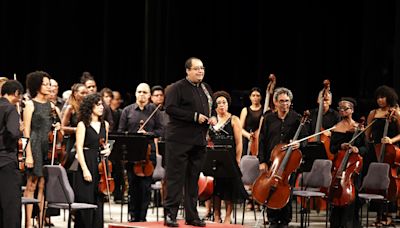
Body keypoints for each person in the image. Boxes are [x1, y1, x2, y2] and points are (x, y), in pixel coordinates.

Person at [163, 57, 217, 227]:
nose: (200, 71)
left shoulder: (205, 88)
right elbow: (170, 109)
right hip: (179, 140)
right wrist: (195, 117)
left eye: (202, 68)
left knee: (193, 180)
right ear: (187, 71)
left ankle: (192, 216)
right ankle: (170, 215)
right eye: (196, 69)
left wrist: (213, 116)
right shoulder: (176, 88)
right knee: (175, 179)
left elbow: (211, 107)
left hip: (199, 141)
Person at [118, 83, 163, 222]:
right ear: (136, 94)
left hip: (148, 155)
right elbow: (120, 132)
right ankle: (133, 216)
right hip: (132, 154)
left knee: (145, 188)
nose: (142, 94)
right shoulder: (127, 111)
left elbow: (161, 131)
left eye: (145, 92)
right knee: (133, 186)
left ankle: (142, 217)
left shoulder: (155, 110)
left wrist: (147, 134)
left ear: (149, 95)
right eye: (139, 92)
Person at [258, 87, 302, 228]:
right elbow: (262, 140)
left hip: (289, 162)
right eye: (282, 101)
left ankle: (284, 220)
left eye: (287, 101)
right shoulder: (268, 118)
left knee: (286, 190)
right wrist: (262, 161)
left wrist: (299, 144)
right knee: (270, 189)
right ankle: (272, 219)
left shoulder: (297, 118)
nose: (285, 104)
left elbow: (306, 139)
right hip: (273, 161)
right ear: (275, 102)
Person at [23, 71, 61, 228]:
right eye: (45, 84)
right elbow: (26, 131)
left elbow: (57, 128)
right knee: (31, 184)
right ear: (37, 86)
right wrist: (28, 155)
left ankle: (41, 220)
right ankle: (28, 223)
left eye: (49, 84)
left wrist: (58, 127)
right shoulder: (30, 105)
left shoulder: (52, 106)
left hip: (48, 147)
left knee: (43, 185)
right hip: (35, 145)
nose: (49, 87)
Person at [208, 91, 247, 224]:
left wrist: (237, 159)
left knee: (229, 188)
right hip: (215, 159)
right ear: (215, 106)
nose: (221, 105)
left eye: (224, 102)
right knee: (216, 188)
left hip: (230, 159)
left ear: (228, 104)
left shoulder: (234, 119)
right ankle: (217, 214)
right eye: (218, 103)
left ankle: (228, 216)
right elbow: (207, 139)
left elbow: (239, 142)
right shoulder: (212, 120)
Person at [365, 85, 400, 226]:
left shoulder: (396, 112)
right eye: (378, 97)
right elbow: (368, 135)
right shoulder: (373, 113)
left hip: (391, 151)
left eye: (382, 97)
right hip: (376, 151)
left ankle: (389, 214)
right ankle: (379, 215)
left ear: (389, 97)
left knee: (388, 182)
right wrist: (371, 140)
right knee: (376, 183)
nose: (380, 100)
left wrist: (391, 140)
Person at [74, 93, 111, 227]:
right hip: (87, 162)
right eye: (98, 105)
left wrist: (108, 150)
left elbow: (105, 144)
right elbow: (79, 147)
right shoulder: (82, 125)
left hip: (100, 164)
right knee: (86, 200)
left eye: (102, 104)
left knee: (98, 200)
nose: (102, 107)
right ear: (90, 107)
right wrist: (84, 170)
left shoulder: (104, 125)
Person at [329, 97, 366, 228]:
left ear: (352, 110)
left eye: (346, 109)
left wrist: (357, 149)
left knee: (351, 198)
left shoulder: (358, 127)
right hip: (339, 166)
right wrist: (341, 146)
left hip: (352, 167)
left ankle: (350, 224)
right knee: (336, 195)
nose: (342, 111)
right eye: (340, 109)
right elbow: (332, 149)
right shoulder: (337, 127)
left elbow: (365, 148)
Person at [0, 80, 24, 228]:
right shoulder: (11, 109)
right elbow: (13, 132)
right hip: (7, 160)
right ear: (16, 93)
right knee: (11, 206)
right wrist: (19, 129)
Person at [109, 90, 124, 202]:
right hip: (107, 143)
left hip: (117, 144)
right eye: (116, 99)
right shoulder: (105, 111)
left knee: (118, 171)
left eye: (119, 99)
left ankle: (118, 195)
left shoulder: (120, 113)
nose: (118, 101)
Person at [239, 87, 263, 156]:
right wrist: (248, 135)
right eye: (253, 95)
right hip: (248, 139)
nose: (255, 97)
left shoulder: (265, 110)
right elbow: (240, 128)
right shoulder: (245, 110)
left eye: (258, 95)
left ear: (261, 97)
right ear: (250, 97)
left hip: (260, 140)